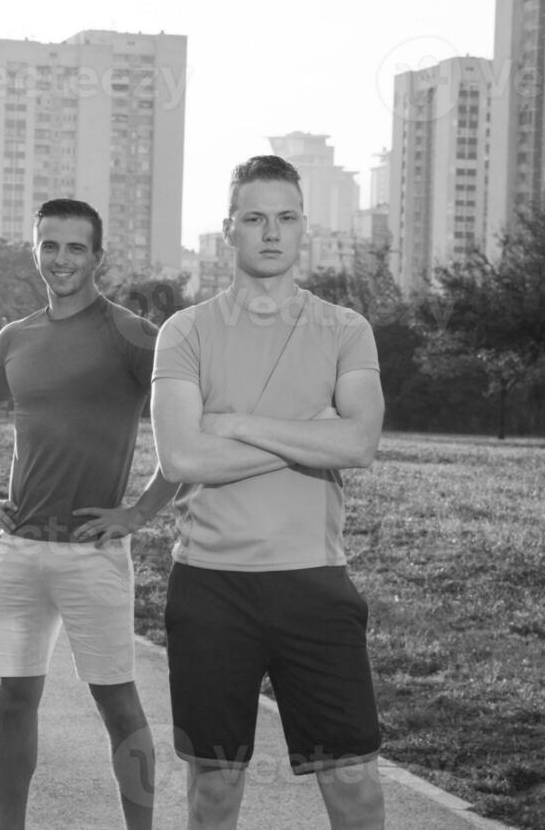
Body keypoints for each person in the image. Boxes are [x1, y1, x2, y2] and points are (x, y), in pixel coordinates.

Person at [150, 155, 387, 830]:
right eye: (254, 218)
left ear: (303, 227)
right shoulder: (185, 332)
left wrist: (239, 426)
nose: (270, 232)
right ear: (229, 229)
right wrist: (306, 432)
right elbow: (180, 455)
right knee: (214, 789)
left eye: (284, 217)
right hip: (210, 588)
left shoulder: (344, 329)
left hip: (312, 581)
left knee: (354, 783)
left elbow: (359, 442)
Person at [0, 198, 180, 830]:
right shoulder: (16, 336)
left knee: (118, 706)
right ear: (35, 251)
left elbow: (189, 429)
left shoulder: (134, 336)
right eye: (49, 245)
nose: (61, 259)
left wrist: (141, 510)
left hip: (93, 554)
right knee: (15, 699)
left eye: (75, 248)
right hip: (23, 549)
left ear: (97, 257)